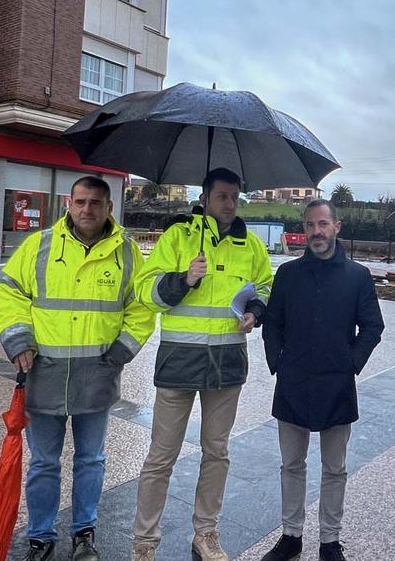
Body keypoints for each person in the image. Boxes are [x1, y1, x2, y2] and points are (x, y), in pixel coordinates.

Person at [0, 176, 155, 561]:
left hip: (97, 374)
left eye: (95, 203)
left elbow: (141, 306)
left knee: (91, 460)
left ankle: (84, 532)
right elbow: (7, 289)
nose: (87, 210)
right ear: (68, 202)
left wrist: (122, 350)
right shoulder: (40, 245)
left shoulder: (128, 252)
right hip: (44, 373)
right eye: (80, 202)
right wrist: (17, 340)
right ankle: (41, 536)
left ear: (109, 207)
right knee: (44, 462)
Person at [131, 167, 274, 561]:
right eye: (222, 196)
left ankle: (206, 533)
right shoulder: (179, 236)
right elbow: (146, 291)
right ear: (205, 197)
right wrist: (183, 279)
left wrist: (255, 312)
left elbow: (264, 286)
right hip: (179, 361)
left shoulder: (252, 245)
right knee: (161, 456)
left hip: (227, 365)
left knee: (217, 452)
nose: (230, 203)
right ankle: (145, 541)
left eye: (234, 196)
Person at [260, 200, 384, 561]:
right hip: (293, 381)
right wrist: (278, 362)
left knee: (335, 468)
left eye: (323, 224)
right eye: (311, 224)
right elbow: (274, 323)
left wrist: (352, 362)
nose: (317, 231)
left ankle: (330, 540)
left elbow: (373, 326)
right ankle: (291, 535)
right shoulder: (288, 274)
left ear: (337, 227)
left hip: (337, 383)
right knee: (291, 465)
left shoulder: (357, 276)